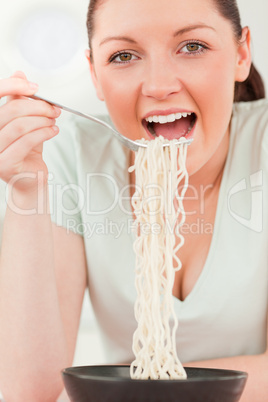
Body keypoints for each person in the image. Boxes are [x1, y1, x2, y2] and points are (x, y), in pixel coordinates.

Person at [0, 0, 267, 400]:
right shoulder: (68, 153)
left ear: (241, 54)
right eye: (124, 55)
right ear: (95, 74)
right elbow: (27, 389)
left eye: (192, 46)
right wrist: (26, 188)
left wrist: (137, 386)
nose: (159, 86)